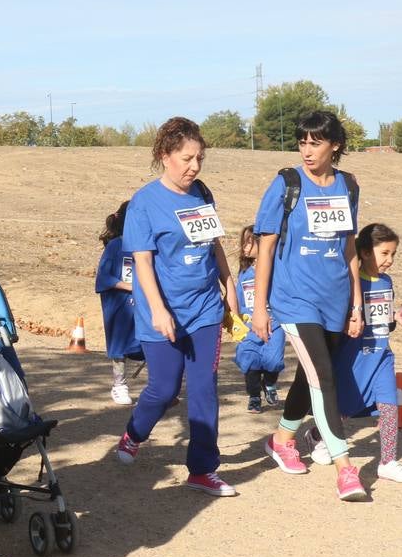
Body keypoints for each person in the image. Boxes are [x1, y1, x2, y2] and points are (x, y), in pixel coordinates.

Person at [113, 117, 240, 496]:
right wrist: (158, 309)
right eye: (186, 158)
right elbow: (143, 263)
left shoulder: (202, 192)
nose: (194, 167)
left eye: (199, 158)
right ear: (164, 156)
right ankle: (135, 433)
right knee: (165, 390)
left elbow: (214, 244)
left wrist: (229, 285)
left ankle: (202, 469)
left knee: (203, 387)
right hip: (162, 311)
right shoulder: (144, 204)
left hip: (205, 309)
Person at [250, 109, 367, 502]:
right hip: (294, 299)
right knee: (324, 379)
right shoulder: (286, 183)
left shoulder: (348, 186)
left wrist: (356, 303)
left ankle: (282, 438)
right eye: (302, 141)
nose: (306, 149)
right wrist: (260, 308)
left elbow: (349, 248)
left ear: (335, 145)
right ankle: (345, 468)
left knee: (312, 375)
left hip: (334, 299)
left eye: (315, 142)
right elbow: (265, 248)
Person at [307, 223, 402, 483]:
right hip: (352, 358)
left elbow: (384, 318)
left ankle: (388, 462)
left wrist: (397, 318)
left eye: (393, 254)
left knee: (389, 407)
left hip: (381, 356)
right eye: (385, 253)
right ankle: (317, 436)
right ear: (366, 252)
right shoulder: (351, 281)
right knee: (345, 408)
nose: (390, 260)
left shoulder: (387, 281)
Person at [231, 225, 286, 412]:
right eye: (243, 243)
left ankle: (270, 384)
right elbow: (237, 298)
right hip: (249, 327)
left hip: (274, 325)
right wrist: (234, 320)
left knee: (274, 360)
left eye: (249, 242)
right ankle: (254, 396)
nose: (244, 247)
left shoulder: (275, 269)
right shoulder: (244, 273)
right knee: (250, 361)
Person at [95, 200, 143, 404]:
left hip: (144, 305)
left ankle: (160, 387)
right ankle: (119, 385)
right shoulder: (115, 246)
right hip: (120, 306)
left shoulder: (148, 246)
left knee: (151, 342)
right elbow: (104, 278)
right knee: (120, 345)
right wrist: (131, 287)